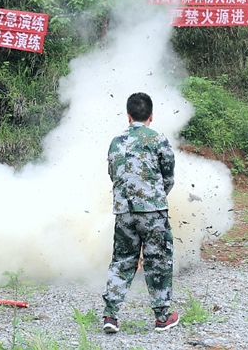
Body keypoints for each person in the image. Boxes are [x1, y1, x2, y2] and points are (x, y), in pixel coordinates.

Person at [102, 92, 179, 333]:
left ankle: (110, 316)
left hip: (124, 212)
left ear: (128, 116)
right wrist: (154, 196)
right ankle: (162, 317)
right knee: (158, 261)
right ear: (151, 116)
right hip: (153, 211)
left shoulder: (116, 141)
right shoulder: (158, 140)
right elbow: (168, 176)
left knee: (122, 261)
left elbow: (113, 173)